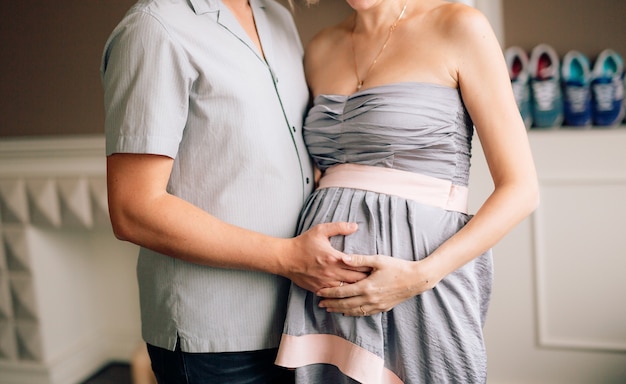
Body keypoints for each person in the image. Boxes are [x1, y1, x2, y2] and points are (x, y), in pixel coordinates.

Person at [100, 0, 369, 383]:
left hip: (296, 317)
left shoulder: (276, 16)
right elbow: (133, 209)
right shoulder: (154, 27)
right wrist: (287, 257)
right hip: (214, 336)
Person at [275, 0, 540, 383]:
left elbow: (522, 189)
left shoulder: (459, 26)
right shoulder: (319, 47)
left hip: (422, 279)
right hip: (323, 294)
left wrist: (420, 275)